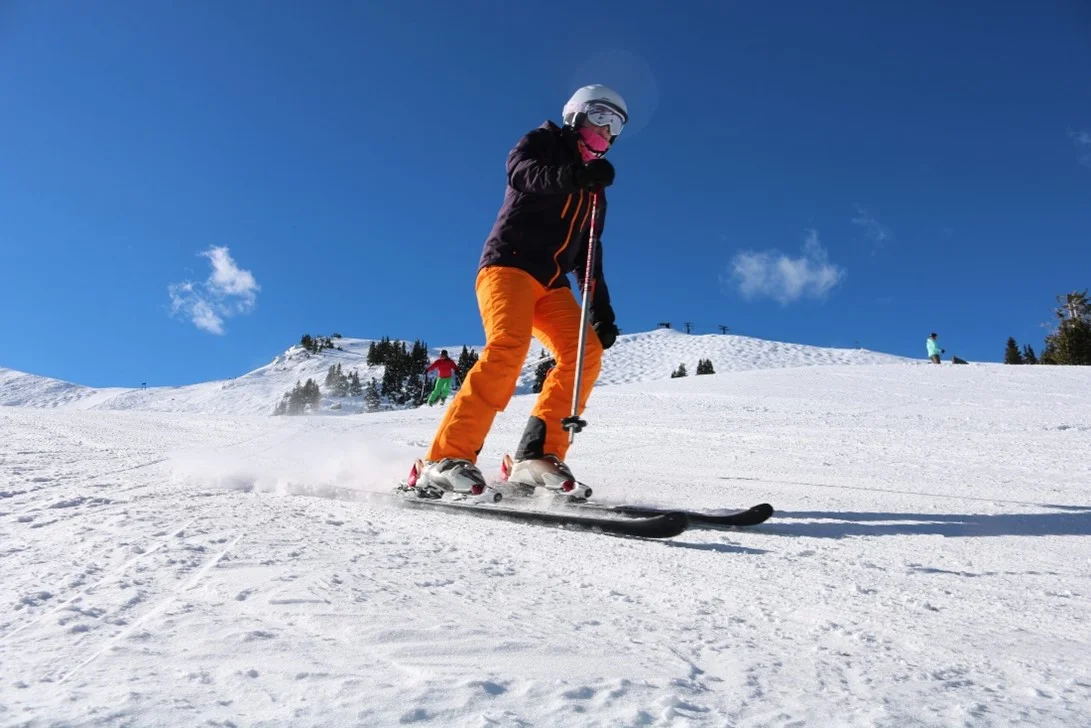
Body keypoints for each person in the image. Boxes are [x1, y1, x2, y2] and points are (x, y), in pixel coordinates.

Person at [407, 84, 626, 496]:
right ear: (576, 115)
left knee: (584, 353)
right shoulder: (542, 142)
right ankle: (446, 456)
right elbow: (523, 173)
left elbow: (590, 252)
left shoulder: (595, 192)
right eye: (600, 117)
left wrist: (601, 307)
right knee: (508, 345)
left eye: (616, 125)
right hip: (508, 264)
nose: (607, 131)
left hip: (551, 282)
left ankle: (536, 455)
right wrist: (572, 176)